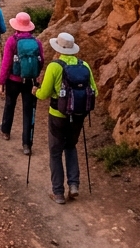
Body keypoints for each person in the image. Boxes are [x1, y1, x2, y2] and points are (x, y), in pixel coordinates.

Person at [35, 32, 98, 204]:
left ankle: (58, 193)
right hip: (78, 116)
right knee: (71, 147)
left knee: (55, 152)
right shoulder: (83, 65)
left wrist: (36, 92)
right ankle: (74, 185)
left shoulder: (54, 67)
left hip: (57, 115)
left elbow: (45, 93)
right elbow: (95, 91)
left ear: (58, 48)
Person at [0, 11, 45, 153]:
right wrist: (35, 75)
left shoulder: (12, 41)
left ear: (16, 26)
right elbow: (41, 61)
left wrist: (2, 81)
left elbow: (6, 64)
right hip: (30, 81)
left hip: (13, 80)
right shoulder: (36, 42)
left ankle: (5, 130)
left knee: (10, 104)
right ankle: (26, 144)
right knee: (28, 110)